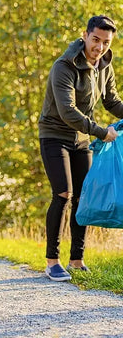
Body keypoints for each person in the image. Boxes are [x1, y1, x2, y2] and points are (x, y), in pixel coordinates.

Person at [39, 15, 123, 281]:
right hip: (54, 135)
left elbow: (112, 101)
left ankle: (77, 259)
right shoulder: (63, 67)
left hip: (81, 139)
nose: (99, 47)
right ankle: (52, 261)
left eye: (106, 42)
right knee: (63, 194)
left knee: (83, 197)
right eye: (96, 40)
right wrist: (102, 132)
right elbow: (68, 112)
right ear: (85, 35)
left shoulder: (104, 65)